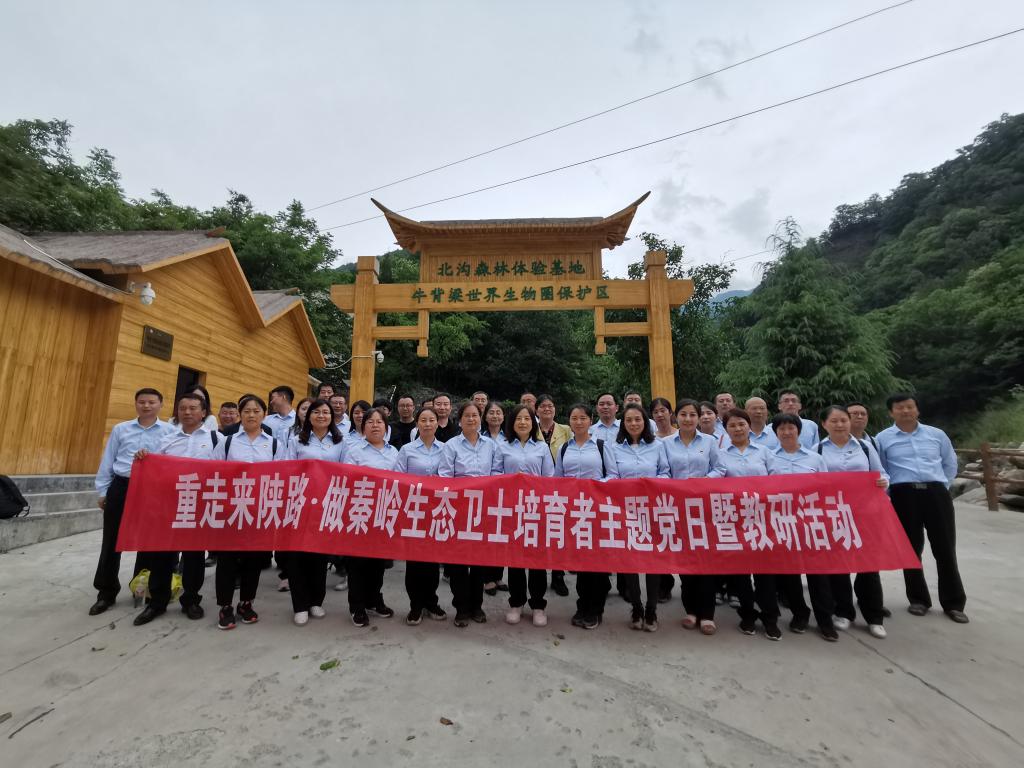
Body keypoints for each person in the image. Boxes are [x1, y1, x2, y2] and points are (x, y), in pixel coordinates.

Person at [876, 394, 967, 623]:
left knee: (945, 548)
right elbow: (882, 470)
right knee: (910, 549)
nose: (905, 411)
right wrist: (890, 495)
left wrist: (941, 487)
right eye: (899, 408)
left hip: (936, 493)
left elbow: (949, 463)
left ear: (917, 410)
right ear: (891, 412)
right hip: (903, 495)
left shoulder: (936, 435)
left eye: (909, 407)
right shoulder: (883, 439)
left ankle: (954, 603)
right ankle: (918, 599)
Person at [128, 392, 214, 625]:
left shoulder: (216, 439)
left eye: (193, 408)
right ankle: (157, 601)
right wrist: (143, 458)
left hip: (198, 503)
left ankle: (191, 599)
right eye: (183, 408)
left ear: (203, 412)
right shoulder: (166, 439)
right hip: (168, 503)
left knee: (194, 554)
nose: (187, 412)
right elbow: (153, 468)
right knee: (162, 553)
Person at [89, 388, 174, 616]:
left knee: (147, 542)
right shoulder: (121, 429)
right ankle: (106, 592)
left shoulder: (170, 431)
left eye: (151, 402)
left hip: (152, 489)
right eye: (142, 402)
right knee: (112, 541)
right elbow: (108, 460)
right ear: (136, 404)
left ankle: (141, 588)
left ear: (161, 405)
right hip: (122, 485)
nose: (146, 406)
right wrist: (103, 491)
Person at [818, 405, 890, 638]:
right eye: (834, 421)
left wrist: (883, 482)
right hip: (834, 513)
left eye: (843, 420)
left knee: (868, 564)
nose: (840, 425)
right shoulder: (818, 450)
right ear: (824, 425)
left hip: (865, 513)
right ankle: (843, 612)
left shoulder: (865, 447)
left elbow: (882, 473)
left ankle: (874, 616)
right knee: (838, 564)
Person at [212, 394, 282, 630]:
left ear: (264, 415)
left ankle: (246, 603)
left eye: (256, 411)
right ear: (240, 415)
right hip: (231, 509)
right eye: (247, 411)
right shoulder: (227, 442)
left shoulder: (274, 444)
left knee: (254, 559)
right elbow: (214, 473)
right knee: (227, 560)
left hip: (259, 510)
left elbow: (281, 476)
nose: (251, 415)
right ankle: (225, 606)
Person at [767, 412, 838, 642]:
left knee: (818, 574)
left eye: (791, 428)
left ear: (799, 431)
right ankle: (800, 614)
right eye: (781, 429)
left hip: (811, 522)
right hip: (782, 522)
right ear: (775, 433)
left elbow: (826, 489)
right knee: (790, 573)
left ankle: (825, 620)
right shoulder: (769, 458)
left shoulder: (815, 459)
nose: (786, 432)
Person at [663, 399, 726, 634]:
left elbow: (720, 469)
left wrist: (703, 482)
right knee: (686, 560)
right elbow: (663, 471)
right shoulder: (665, 444)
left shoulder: (710, 442)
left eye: (692, 415)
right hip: (678, 508)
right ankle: (690, 610)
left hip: (705, 508)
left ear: (699, 418)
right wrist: (677, 486)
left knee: (706, 561)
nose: (688, 419)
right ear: (676, 417)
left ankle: (707, 614)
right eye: (683, 414)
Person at [719, 408, 782, 640]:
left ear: (748, 426)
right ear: (725, 430)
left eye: (741, 424)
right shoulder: (721, 455)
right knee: (741, 573)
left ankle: (770, 618)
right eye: (732, 425)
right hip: (735, 520)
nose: (737, 429)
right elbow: (716, 480)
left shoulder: (765, 452)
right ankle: (747, 615)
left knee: (765, 572)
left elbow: (778, 480)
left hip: (763, 519)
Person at [556, 403, 619, 629]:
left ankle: (595, 609)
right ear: (569, 422)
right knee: (581, 561)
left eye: (583, 418)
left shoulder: (602, 446)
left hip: (598, 510)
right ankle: (582, 606)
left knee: (598, 562)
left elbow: (613, 475)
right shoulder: (564, 448)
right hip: (574, 512)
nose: (579, 422)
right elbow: (558, 479)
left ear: (590, 421)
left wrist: (594, 486)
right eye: (574, 418)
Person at [493, 404, 556, 627]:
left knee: (537, 559)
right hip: (512, 509)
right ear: (512, 423)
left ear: (533, 423)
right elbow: (494, 474)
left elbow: (550, 478)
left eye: (527, 419)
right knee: (515, 559)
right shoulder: (502, 446)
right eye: (518, 419)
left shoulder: (541, 447)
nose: (522, 422)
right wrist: (510, 479)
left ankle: (538, 605)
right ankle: (516, 602)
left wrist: (533, 482)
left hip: (536, 509)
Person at [608, 404, 670, 632]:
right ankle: (636, 607)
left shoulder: (658, 446)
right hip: (625, 510)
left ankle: (651, 609)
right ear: (623, 424)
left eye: (638, 419)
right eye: (629, 420)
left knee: (653, 561)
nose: (634, 423)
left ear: (645, 422)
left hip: (652, 509)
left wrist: (650, 484)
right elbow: (612, 476)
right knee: (630, 561)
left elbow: (665, 473)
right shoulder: (614, 447)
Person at [283, 399, 345, 625]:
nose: (321, 415)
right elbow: (287, 469)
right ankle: (299, 605)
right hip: (300, 504)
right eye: (316, 412)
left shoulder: (340, 442)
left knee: (319, 555)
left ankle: (316, 601)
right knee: (297, 555)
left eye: (325, 412)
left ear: (331, 417)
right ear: (308, 416)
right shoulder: (296, 441)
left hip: (326, 505)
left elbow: (345, 472)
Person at [438, 402, 497, 628]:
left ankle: (477, 606)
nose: (471, 419)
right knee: (458, 563)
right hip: (459, 509)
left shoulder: (490, 445)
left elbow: (497, 473)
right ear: (460, 420)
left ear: (481, 419)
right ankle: (461, 608)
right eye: (467, 416)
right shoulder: (451, 446)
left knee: (479, 561)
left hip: (483, 509)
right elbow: (445, 476)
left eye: (475, 415)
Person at [342, 407, 400, 627]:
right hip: (360, 512)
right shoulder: (354, 451)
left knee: (378, 562)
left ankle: (374, 600)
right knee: (358, 562)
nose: (375, 425)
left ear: (386, 427)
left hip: (384, 513)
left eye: (379, 422)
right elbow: (348, 479)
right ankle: (356, 606)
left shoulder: (394, 452)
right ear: (363, 426)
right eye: (370, 422)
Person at [395, 406, 448, 625]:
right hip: (413, 511)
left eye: (431, 420)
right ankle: (415, 605)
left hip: (437, 511)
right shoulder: (407, 450)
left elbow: (450, 477)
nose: (427, 424)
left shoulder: (445, 449)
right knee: (415, 561)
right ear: (417, 423)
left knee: (432, 560)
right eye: (423, 420)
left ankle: (431, 602)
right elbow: (397, 478)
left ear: (437, 423)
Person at [534, 394, 572, 596]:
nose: (547, 409)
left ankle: (558, 576)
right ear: (537, 410)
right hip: (537, 488)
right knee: (540, 532)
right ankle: (539, 573)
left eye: (550, 405)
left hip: (561, 487)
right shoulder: (531, 428)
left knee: (558, 532)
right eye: (543, 406)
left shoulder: (566, 430)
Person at [479, 400, 509, 595]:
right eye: (492, 413)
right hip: (485, 492)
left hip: (505, 493)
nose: (495, 416)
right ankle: (486, 578)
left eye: (499, 413)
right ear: (485, 416)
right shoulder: (480, 437)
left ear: (504, 416)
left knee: (501, 536)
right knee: (486, 536)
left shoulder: (510, 437)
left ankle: (498, 576)